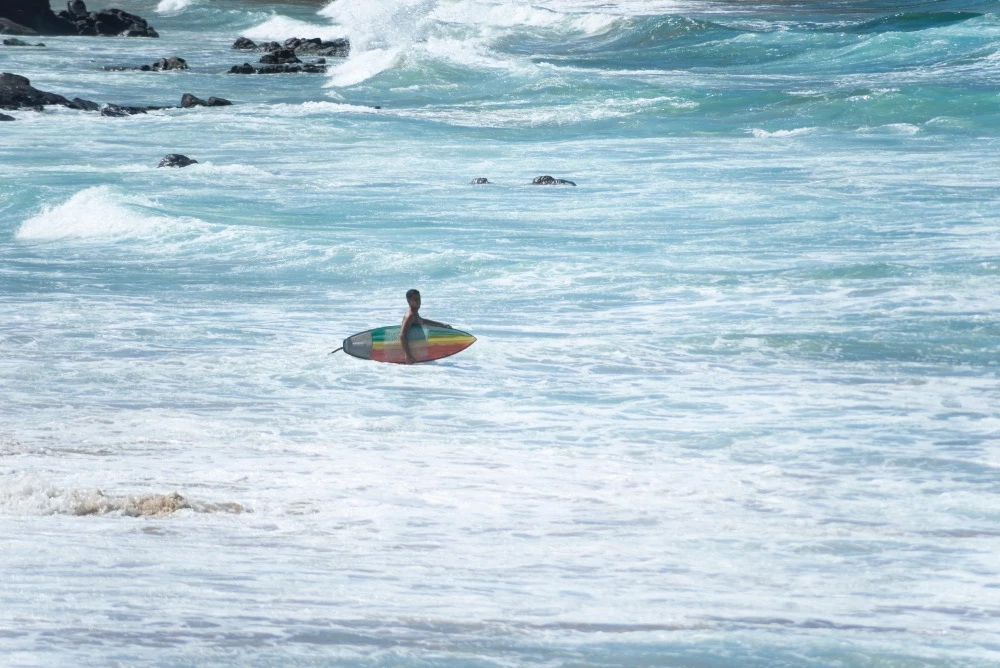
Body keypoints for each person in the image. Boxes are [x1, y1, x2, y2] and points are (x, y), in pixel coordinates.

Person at [400, 289, 451, 364]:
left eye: (419, 299)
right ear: (409, 301)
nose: (418, 301)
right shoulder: (410, 316)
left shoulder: (414, 314)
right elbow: (402, 335)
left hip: (417, 351)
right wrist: (408, 355)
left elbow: (423, 321)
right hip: (412, 354)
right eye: (415, 299)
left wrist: (441, 325)